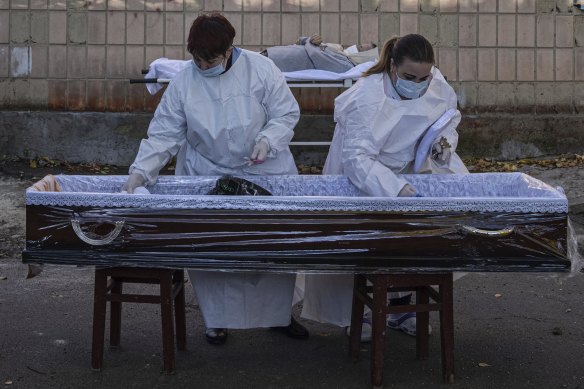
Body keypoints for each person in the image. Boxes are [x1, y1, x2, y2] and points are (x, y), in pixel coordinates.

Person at [122, 12, 308, 345]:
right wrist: (140, 171)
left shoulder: (261, 69)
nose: (204, 66)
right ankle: (216, 320)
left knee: (271, 244)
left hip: (263, 167)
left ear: (229, 50)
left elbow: (286, 113)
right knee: (214, 247)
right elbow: (164, 134)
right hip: (207, 171)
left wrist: (268, 139)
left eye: (211, 60)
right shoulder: (183, 82)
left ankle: (279, 315)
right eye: (197, 60)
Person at [300, 34, 468, 341]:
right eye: (409, 77)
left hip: (413, 169)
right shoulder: (366, 98)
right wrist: (395, 189)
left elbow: (447, 119)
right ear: (392, 66)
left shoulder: (435, 83)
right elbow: (357, 159)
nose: (418, 83)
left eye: (423, 77)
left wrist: (443, 145)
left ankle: (403, 307)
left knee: (414, 241)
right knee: (362, 241)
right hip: (365, 175)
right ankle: (358, 313)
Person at [261, 35, 378, 73]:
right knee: (265, 56)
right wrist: (309, 39)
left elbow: (319, 57)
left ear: (363, 57)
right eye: (360, 45)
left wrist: (309, 41)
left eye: (361, 48)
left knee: (263, 62)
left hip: (298, 59)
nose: (357, 46)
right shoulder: (342, 53)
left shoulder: (346, 65)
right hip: (296, 52)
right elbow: (318, 48)